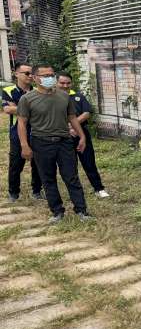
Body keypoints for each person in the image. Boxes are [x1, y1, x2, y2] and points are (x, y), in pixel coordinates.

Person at [16, 65, 91, 223]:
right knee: (48, 178)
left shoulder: (64, 96)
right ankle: (57, 212)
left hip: (64, 142)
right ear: (35, 78)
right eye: (45, 75)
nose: (49, 78)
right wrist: (24, 145)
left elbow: (72, 118)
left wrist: (82, 136)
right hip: (41, 143)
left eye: (51, 75)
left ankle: (81, 211)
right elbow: (22, 123)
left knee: (71, 177)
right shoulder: (27, 99)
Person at [57, 73, 110, 199]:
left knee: (89, 162)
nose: (65, 85)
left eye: (68, 83)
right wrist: (67, 128)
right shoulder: (52, 98)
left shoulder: (78, 96)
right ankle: (75, 193)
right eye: (62, 83)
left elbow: (86, 113)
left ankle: (99, 188)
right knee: (70, 165)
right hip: (64, 136)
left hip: (81, 134)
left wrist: (72, 125)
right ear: (56, 83)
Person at [2, 63, 43, 202]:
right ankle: (13, 193)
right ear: (16, 74)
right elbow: (8, 109)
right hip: (17, 131)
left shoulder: (38, 90)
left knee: (38, 163)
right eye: (26, 73)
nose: (30, 76)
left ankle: (37, 191)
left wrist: (19, 107)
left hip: (38, 130)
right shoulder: (8, 90)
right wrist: (32, 108)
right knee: (16, 163)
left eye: (31, 73)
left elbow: (44, 108)